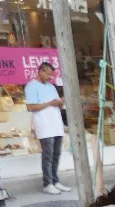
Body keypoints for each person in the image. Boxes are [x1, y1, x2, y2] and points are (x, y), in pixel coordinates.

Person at [25, 62, 69, 195]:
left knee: (56, 154)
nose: (50, 77)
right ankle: (47, 183)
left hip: (56, 124)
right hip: (44, 126)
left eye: (51, 74)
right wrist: (50, 103)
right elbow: (30, 107)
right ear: (40, 71)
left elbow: (56, 104)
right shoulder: (31, 86)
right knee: (48, 155)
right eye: (48, 74)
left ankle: (55, 181)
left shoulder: (51, 87)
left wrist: (60, 103)